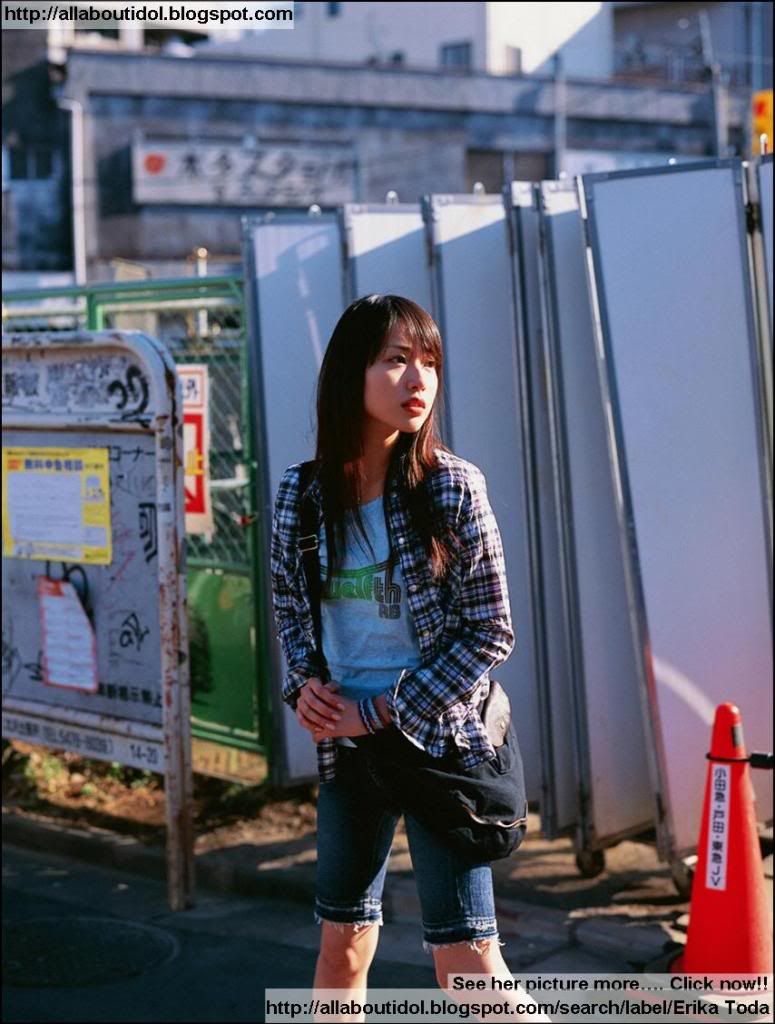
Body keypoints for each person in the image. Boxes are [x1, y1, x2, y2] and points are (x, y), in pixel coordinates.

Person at [270, 294, 549, 1023]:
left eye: (428, 362)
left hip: (437, 747)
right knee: (342, 947)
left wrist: (382, 709)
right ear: (350, 375)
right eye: (395, 360)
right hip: (348, 755)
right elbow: (290, 609)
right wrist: (303, 687)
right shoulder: (301, 494)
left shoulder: (452, 486)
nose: (416, 380)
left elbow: (491, 630)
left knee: (464, 961)